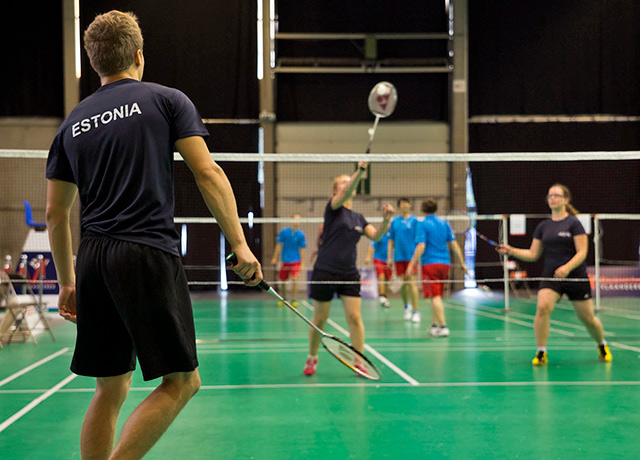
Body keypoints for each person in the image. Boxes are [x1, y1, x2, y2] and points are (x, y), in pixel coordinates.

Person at [45, 11, 262, 460]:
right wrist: (240, 244)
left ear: (93, 64)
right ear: (140, 56)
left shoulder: (71, 124)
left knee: (110, 387)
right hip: (143, 250)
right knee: (182, 381)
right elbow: (207, 172)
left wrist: (67, 282)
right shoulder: (166, 100)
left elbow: (55, 213)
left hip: (93, 258)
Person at [497, 184, 612, 365]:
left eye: (556, 195)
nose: (552, 198)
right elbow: (533, 254)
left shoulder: (574, 224)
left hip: (575, 276)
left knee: (588, 318)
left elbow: (582, 252)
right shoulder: (543, 226)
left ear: (566, 200)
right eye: (550, 195)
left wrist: (567, 267)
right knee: (542, 307)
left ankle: (601, 344)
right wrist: (511, 250)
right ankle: (541, 351)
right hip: (551, 276)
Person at [304, 162, 394, 376]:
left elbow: (377, 236)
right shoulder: (333, 209)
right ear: (337, 190)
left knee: (354, 317)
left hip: (348, 273)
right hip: (325, 270)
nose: (347, 186)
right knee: (320, 319)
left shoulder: (358, 218)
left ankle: (359, 361)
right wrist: (360, 171)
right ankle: (312, 357)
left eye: (348, 182)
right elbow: (346, 193)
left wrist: (386, 220)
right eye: (343, 183)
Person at [407, 199, 467, 337]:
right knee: (437, 296)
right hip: (445, 264)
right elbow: (454, 245)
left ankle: (443, 326)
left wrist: (411, 264)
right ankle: (434, 325)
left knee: (434, 296)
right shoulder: (444, 223)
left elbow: (421, 246)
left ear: (423, 209)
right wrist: (462, 263)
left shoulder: (422, 224)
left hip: (430, 264)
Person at [387, 197, 420, 322]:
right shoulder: (395, 221)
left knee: (412, 283)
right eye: (402, 204)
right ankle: (407, 306)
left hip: (411, 257)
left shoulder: (415, 221)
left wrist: (416, 256)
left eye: (406, 203)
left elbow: (419, 240)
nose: (404, 205)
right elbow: (391, 240)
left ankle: (416, 312)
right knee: (403, 285)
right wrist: (389, 256)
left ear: (409, 205)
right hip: (399, 257)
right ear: (399, 206)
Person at [270, 213, 306, 306]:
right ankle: (284, 298)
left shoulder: (301, 234)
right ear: (292, 221)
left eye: (298, 220)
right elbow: (278, 245)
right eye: (295, 219)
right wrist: (274, 257)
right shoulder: (284, 232)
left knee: (295, 279)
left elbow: (302, 250)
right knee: (283, 280)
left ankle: (294, 299)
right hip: (285, 259)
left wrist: (302, 263)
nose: (297, 222)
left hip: (296, 260)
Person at [364, 230, 392, 308]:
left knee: (387, 279)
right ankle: (382, 296)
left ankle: (385, 297)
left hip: (389, 259)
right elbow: (371, 245)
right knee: (381, 276)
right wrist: (368, 256)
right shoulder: (379, 233)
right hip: (378, 258)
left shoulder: (392, 233)